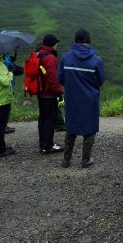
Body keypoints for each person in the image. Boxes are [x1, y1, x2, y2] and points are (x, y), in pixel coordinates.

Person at [58, 29, 105, 168]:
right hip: (90, 100)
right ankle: (85, 160)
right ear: (88, 40)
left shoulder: (65, 58)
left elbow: (60, 78)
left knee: (71, 127)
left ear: (75, 40)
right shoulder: (96, 60)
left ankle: (66, 160)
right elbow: (100, 80)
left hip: (72, 99)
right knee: (90, 128)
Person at [37, 34, 65, 154]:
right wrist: (59, 92)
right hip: (49, 94)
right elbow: (52, 78)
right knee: (50, 119)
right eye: (56, 43)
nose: (57, 45)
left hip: (41, 92)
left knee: (43, 118)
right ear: (53, 44)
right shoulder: (50, 58)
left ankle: (43, 144)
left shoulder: (39, 54)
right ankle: (48, 145)